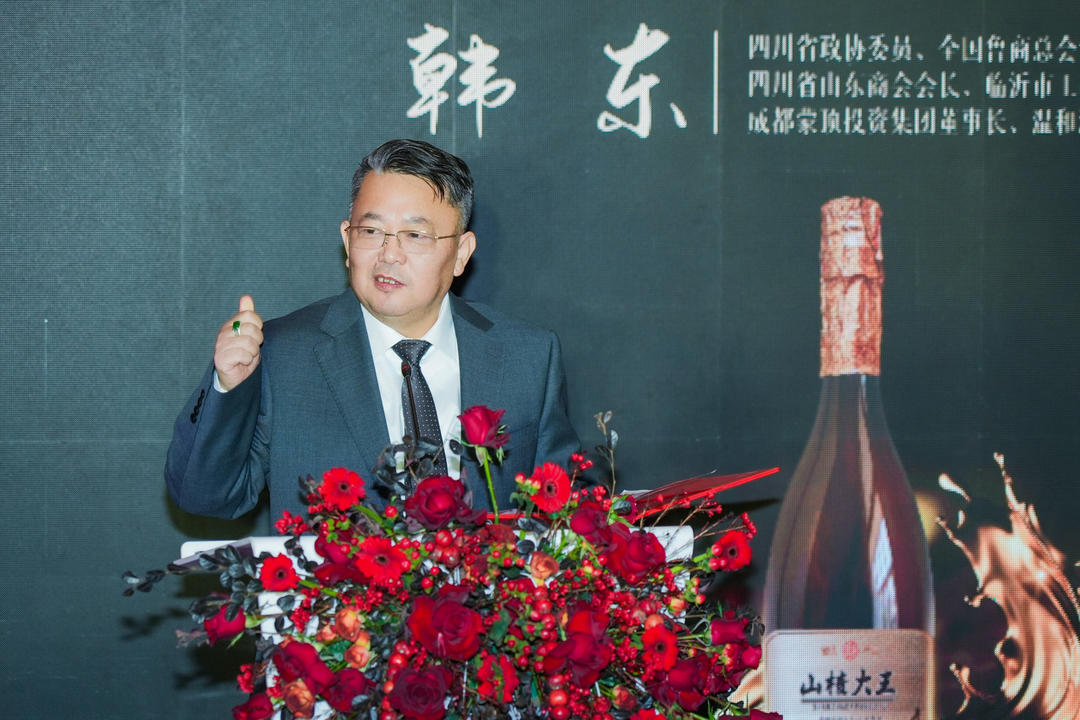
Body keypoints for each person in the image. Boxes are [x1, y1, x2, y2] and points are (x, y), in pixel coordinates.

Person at [166, 139, 580, 520]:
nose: (389, 254)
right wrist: (228, 387)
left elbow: (564, 512)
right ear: (348, 242)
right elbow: (205, 497)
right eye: (371, 231)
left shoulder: (526, 355)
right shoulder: (284, 355)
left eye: (415, 235)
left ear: (461, 253)